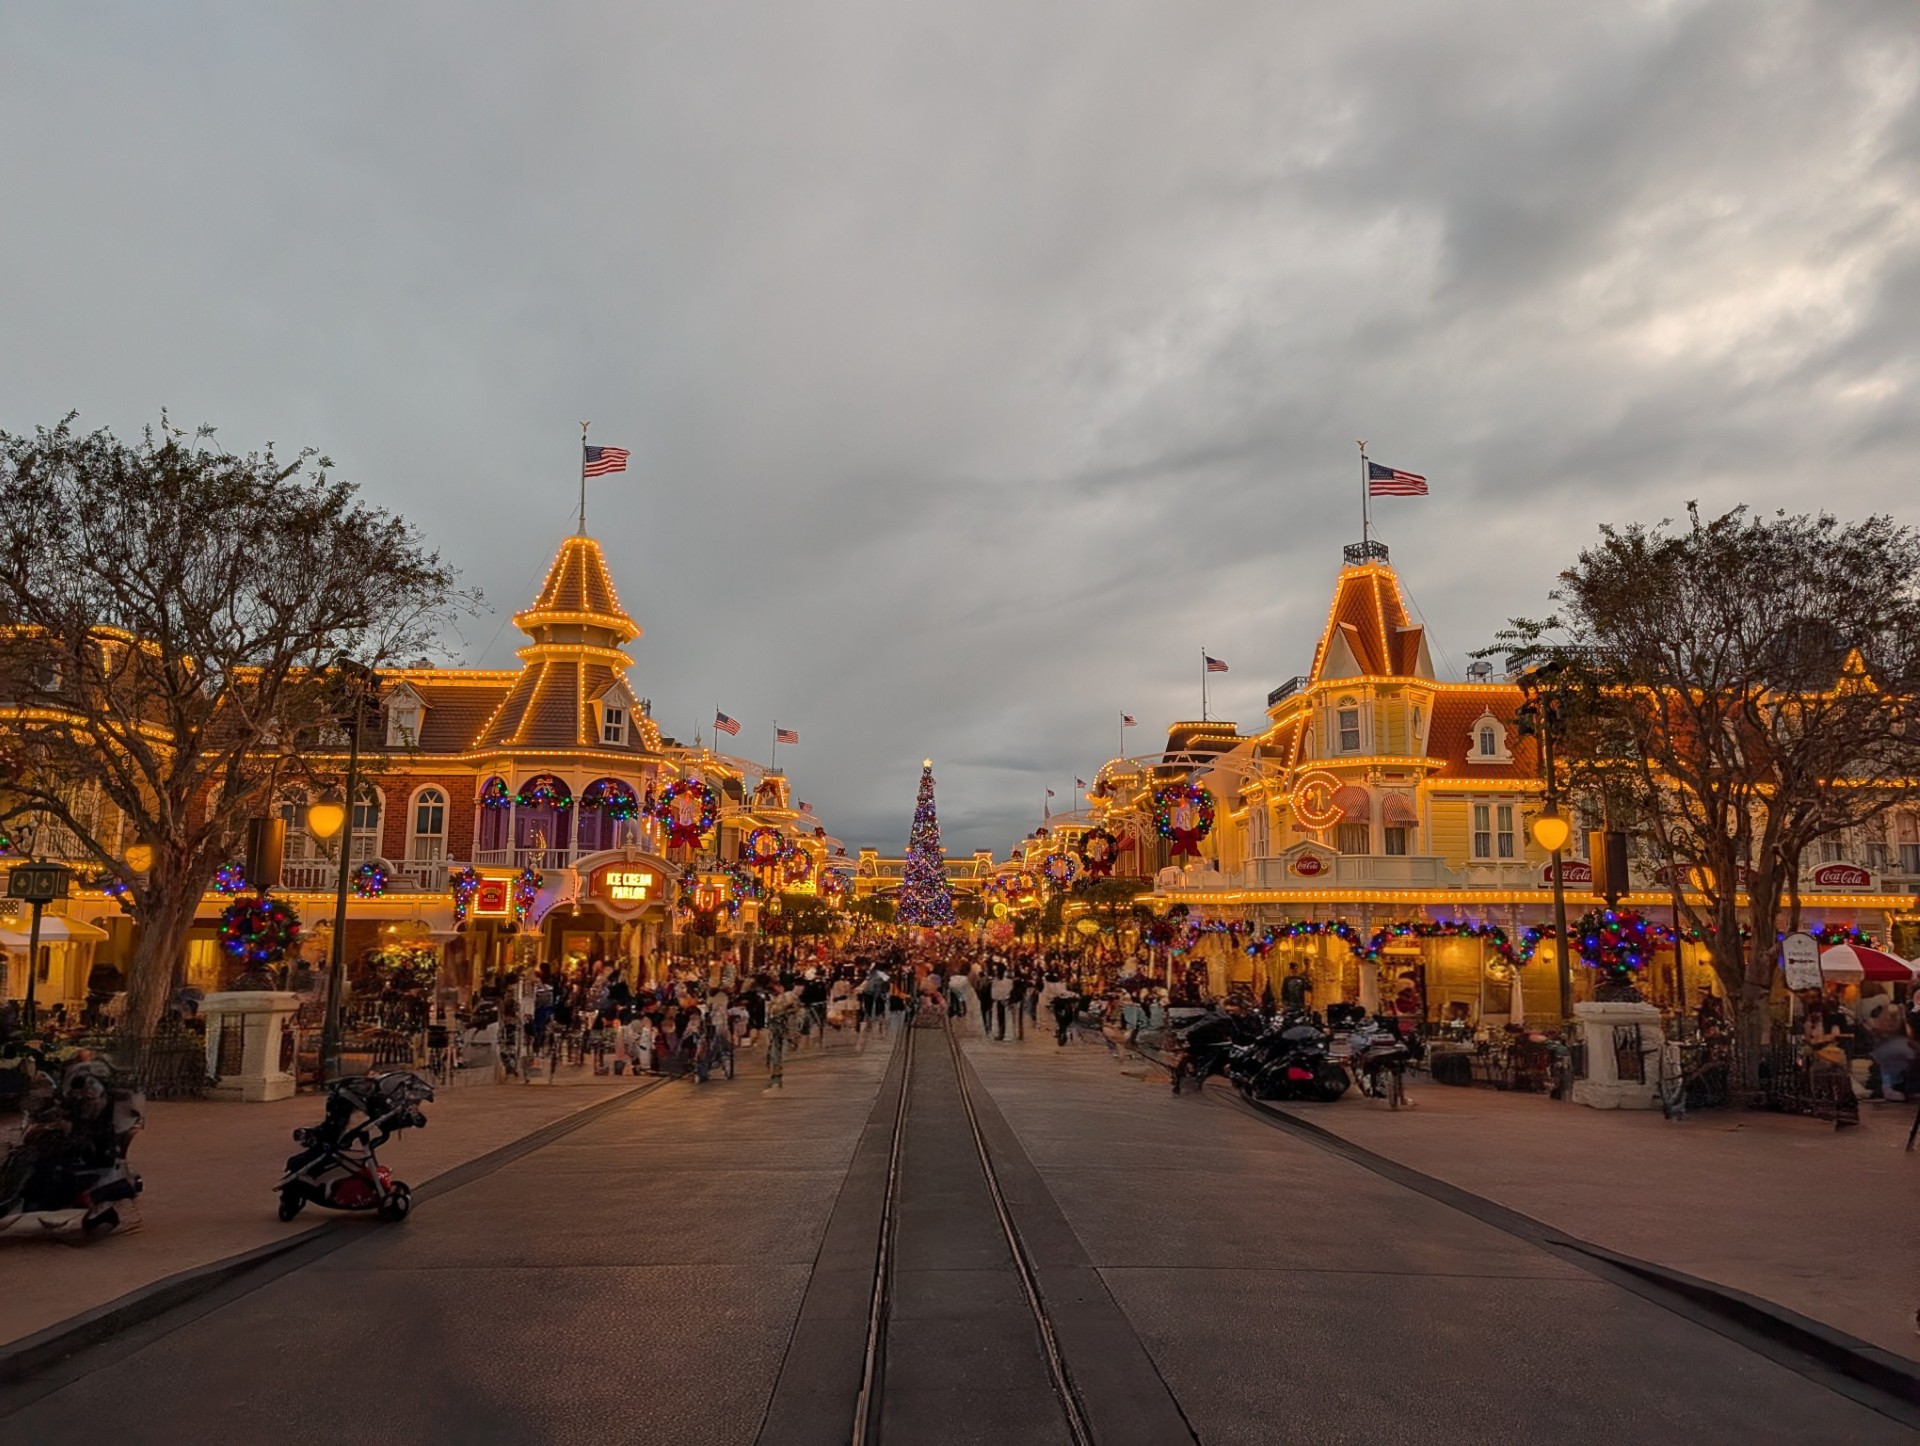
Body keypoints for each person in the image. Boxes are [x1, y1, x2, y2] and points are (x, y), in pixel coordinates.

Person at [765, 985, 798, 1092]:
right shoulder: (773, 999)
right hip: (775, 1026)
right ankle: (776, 1070)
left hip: (777, 1026)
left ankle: (776, 1071)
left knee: (776, 1048)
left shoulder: (785, 997)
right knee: (776, 1048)